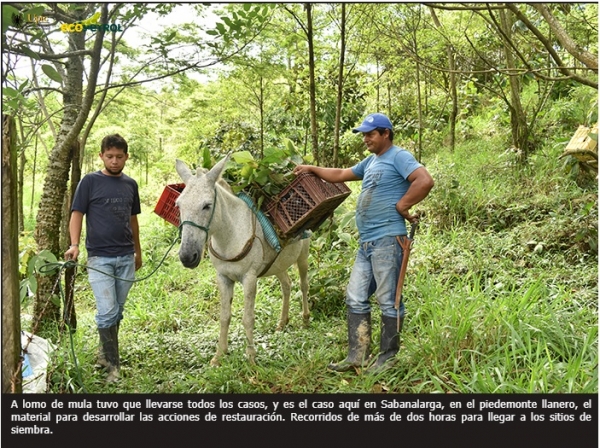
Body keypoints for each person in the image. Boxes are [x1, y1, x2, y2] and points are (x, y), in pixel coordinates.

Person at [294, 113, 434, 373]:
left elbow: (425, 180)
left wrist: (403, 205)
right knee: (356, 297)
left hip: (388, 239)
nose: (366, 139)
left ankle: (388, 358)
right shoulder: (371, 161)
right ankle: (357, 356)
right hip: (366, 243)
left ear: (386, 134)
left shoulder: (399, 156)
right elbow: (340, 173)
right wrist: (312, 168)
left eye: (371, 134)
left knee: (388, 299)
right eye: (364, 134)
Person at [64, 134, 143, 382]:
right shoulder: (89, 181)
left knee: (117, 311)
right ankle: (113, 367)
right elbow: (77, 214)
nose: (115, 161)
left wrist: (137, 251)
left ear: (126, 157)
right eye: (109, 156)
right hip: (99, 258)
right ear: (101, 156)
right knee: (107, 311)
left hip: (125, 257)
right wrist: (75, 245)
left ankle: (104, 354)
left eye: (119, 156)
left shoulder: (130, 184)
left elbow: (133, 220)